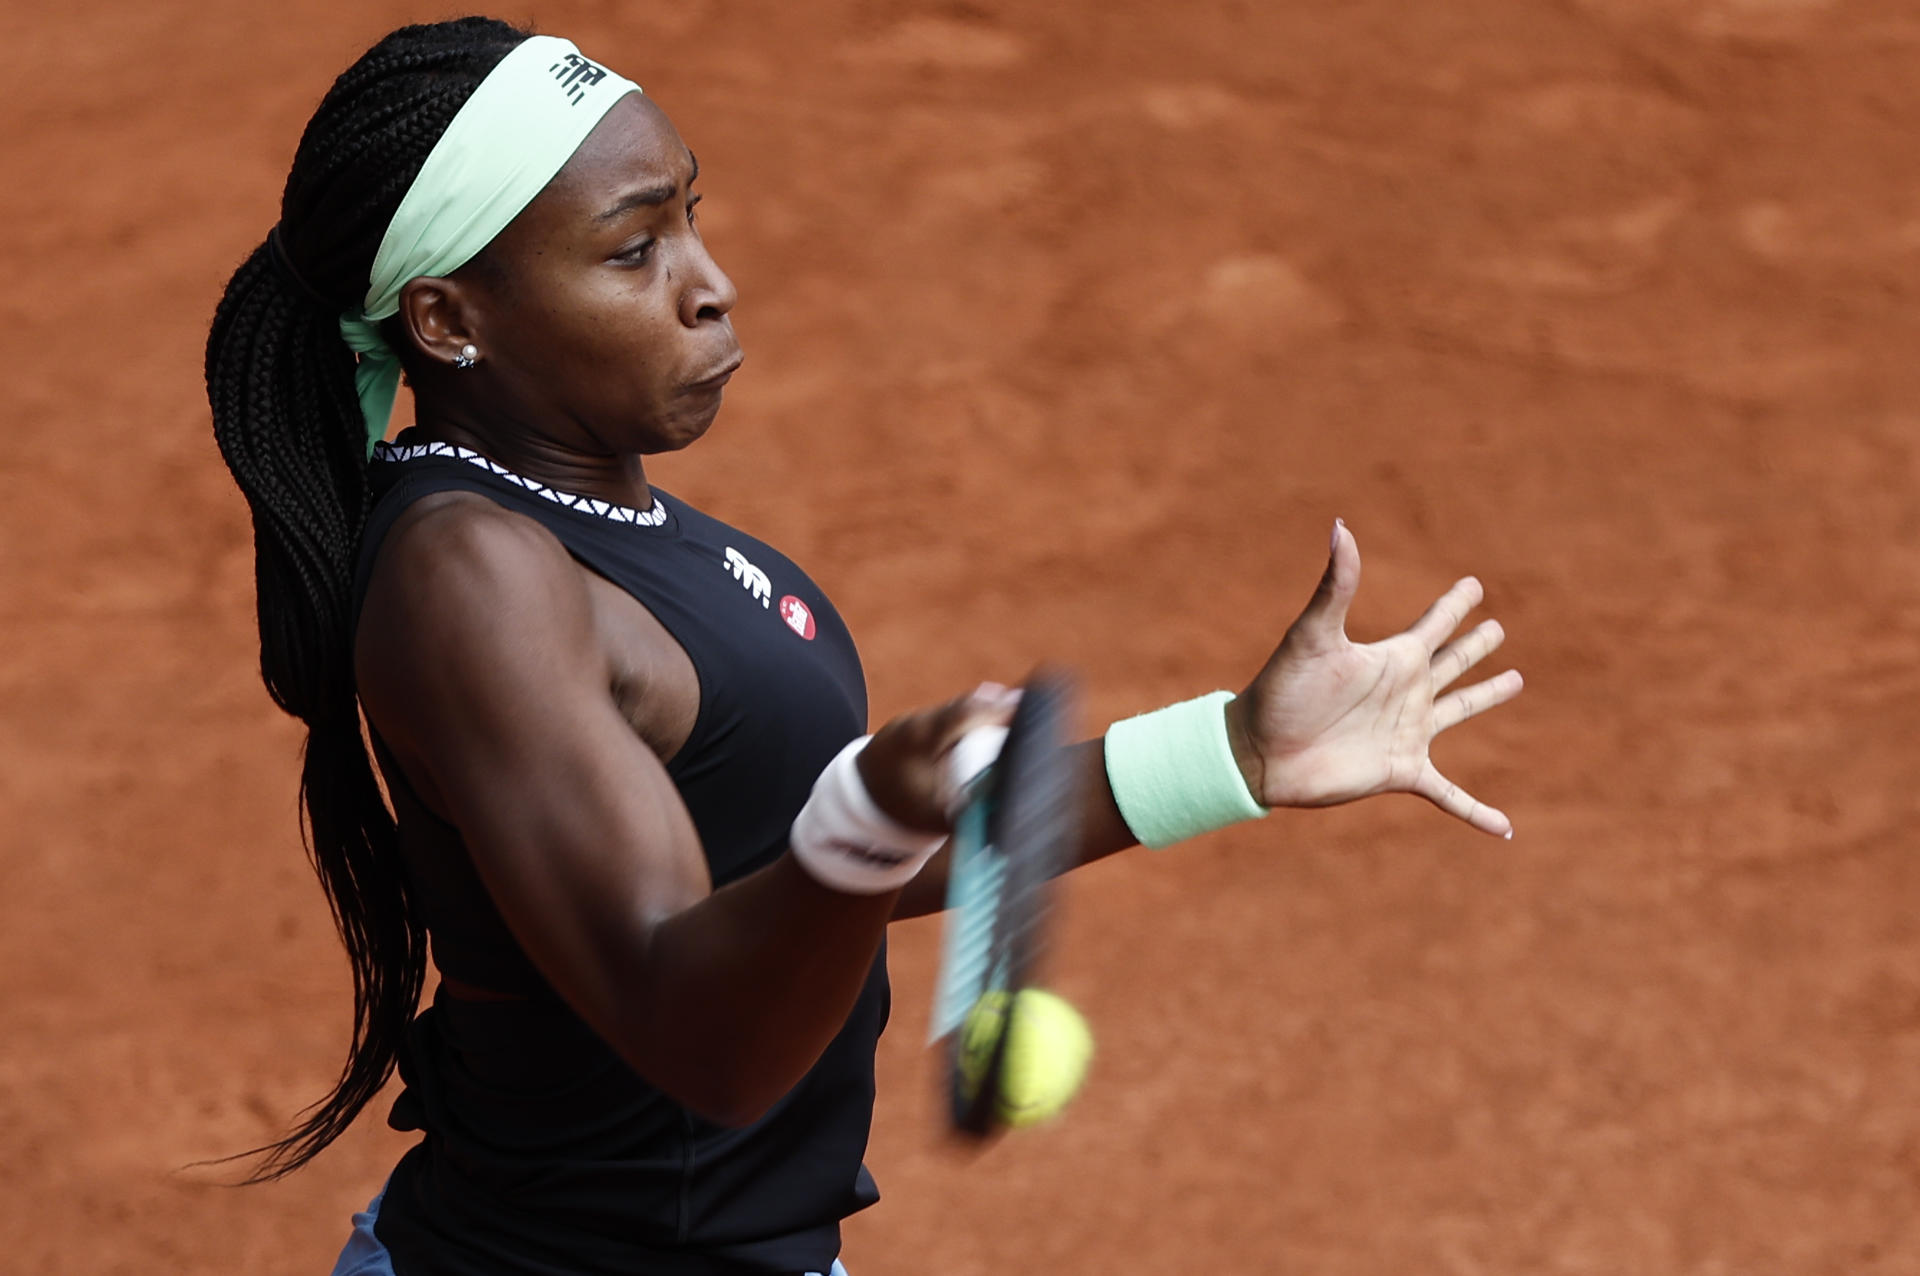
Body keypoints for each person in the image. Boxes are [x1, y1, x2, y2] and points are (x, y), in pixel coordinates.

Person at [203, 17, 1522, 1276]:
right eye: (630, 253)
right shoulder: (474, 579)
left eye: (689, 214)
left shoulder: (592, 509)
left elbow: (777, 875)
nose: (709, 287)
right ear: (447, 322)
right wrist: (869, 810)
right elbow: (700, 1031)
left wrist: (1226, 750)